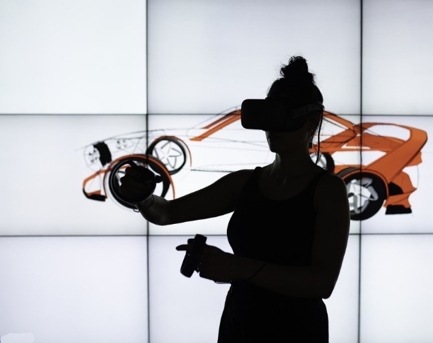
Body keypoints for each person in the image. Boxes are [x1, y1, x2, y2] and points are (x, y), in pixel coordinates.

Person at [120, 56, 350, 342]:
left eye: (282, 117)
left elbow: (322, 283)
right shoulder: (245, 183)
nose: (271, 128)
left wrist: (236, 267)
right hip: (241, 322)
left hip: (297, 329)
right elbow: (166, 213)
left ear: (312, 121)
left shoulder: (328, 190)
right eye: (267, 116)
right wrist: (142, 197)